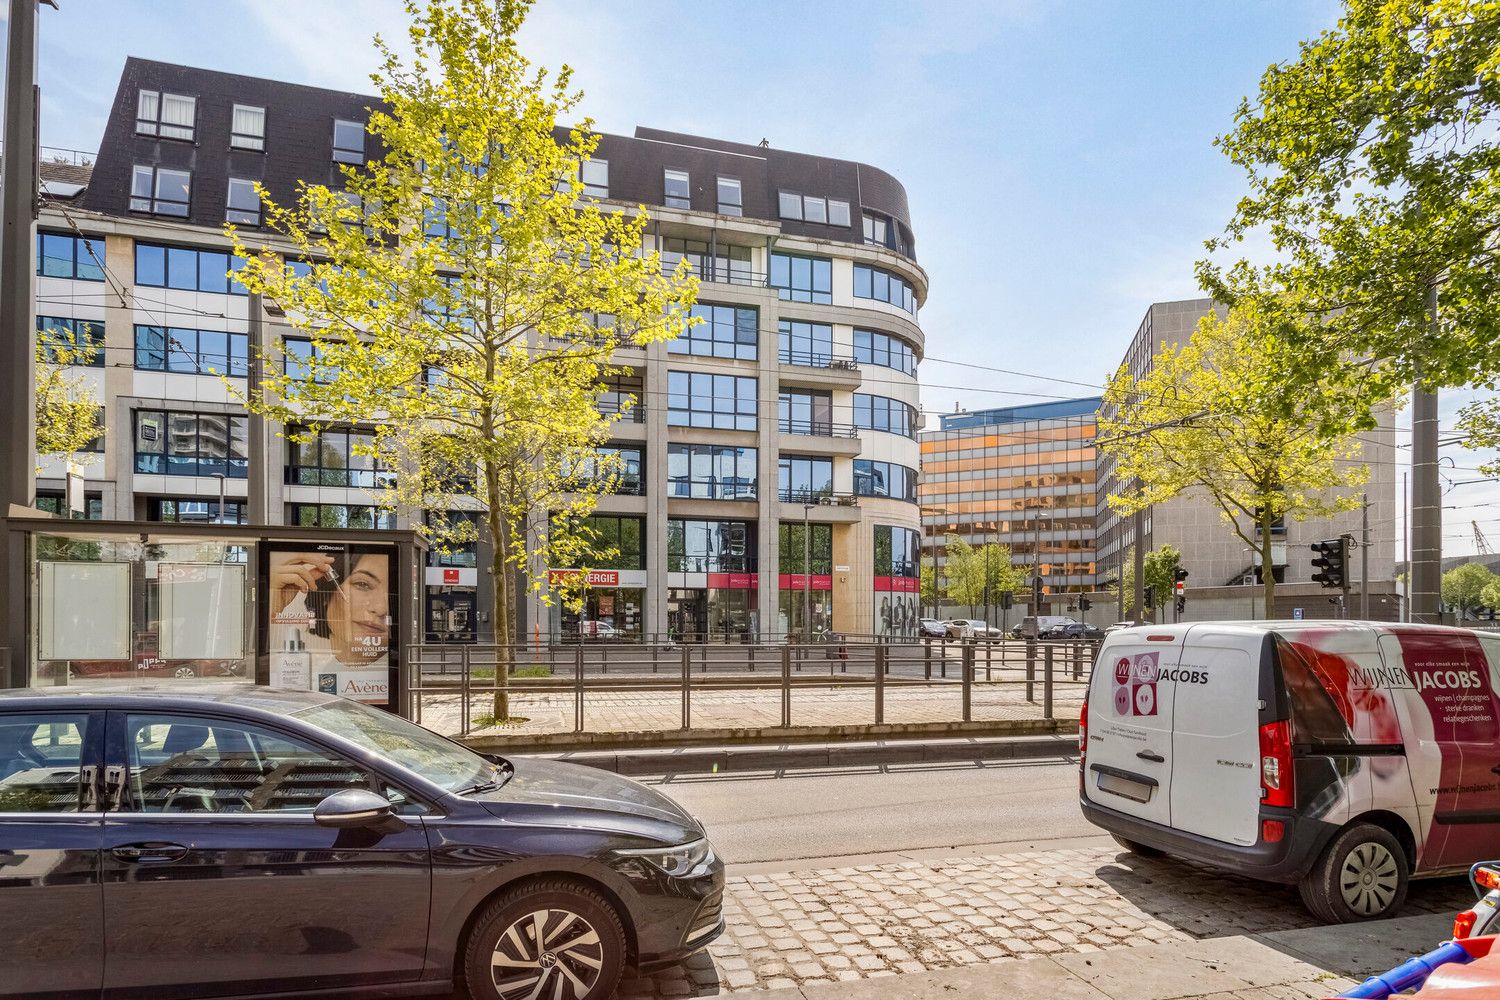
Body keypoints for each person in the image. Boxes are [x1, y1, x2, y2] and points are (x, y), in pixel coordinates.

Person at [269, 551, 390, 668]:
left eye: (393, 591)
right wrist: (271, 606)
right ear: (327, 594)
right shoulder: (284, 665)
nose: (381, 609)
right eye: (363, 584)